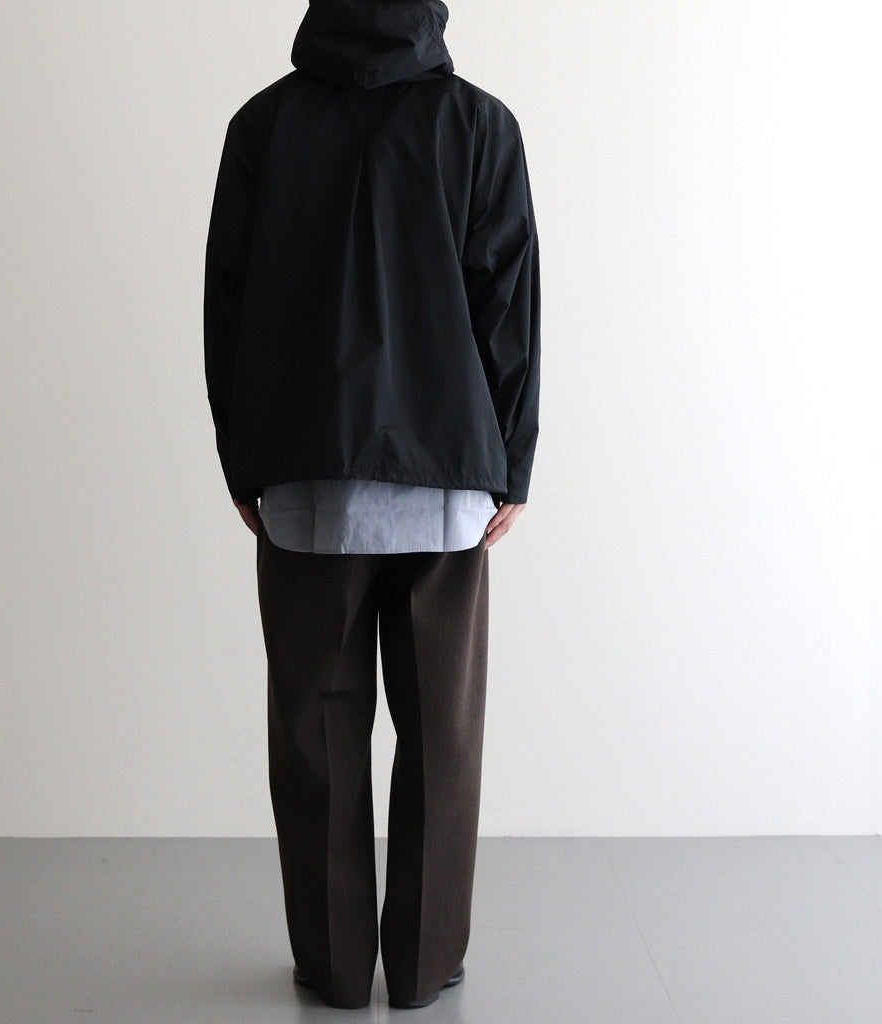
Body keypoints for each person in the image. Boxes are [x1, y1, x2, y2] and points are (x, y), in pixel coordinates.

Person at [203, 0, 540, 1010]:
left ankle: (334, 963)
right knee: (442, 738)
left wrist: (243, 462)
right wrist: (511, 461)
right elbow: (508, 304)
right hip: (447, 473)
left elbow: (228, 304)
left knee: (316, 734)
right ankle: (426, 964)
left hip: (306, 471)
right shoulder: (478, 124)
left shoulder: (265, 124)